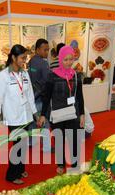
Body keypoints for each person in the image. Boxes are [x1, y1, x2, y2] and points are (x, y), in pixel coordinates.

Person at [39, 45, 85, 175]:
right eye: (66, 59)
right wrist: (43, 115)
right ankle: (61, 164)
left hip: (73, 114)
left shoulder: (76, 76)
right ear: (60, 59)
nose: (69, 62)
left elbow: (80, 96)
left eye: (71, 59)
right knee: (59, 140)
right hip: (57, 114)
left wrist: (82, 114)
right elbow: (46, 97)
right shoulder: (52, 76)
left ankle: (75, 163)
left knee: (74, 140)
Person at [0, 44, 37, 185]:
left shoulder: (24, 73)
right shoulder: (2, 75)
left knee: (23, 144)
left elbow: (30, 94)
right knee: (17, 146)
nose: (24, 60)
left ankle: (20, 169)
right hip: (13, 117)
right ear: (13, 57)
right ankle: (12, 175)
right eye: (22, 58)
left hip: (25, 115)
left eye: (25, 58)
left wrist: (35, 113)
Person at [28, 38, 52, 153]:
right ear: (37, 49)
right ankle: (47, 147)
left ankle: (31, 142)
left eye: (48, 50)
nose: (47, 52)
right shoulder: (43, 63)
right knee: (44, 121)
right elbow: (47, 82)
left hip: (32, 97)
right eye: (44, 50)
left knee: (32, 121)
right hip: (41, 98)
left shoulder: (31, 61)